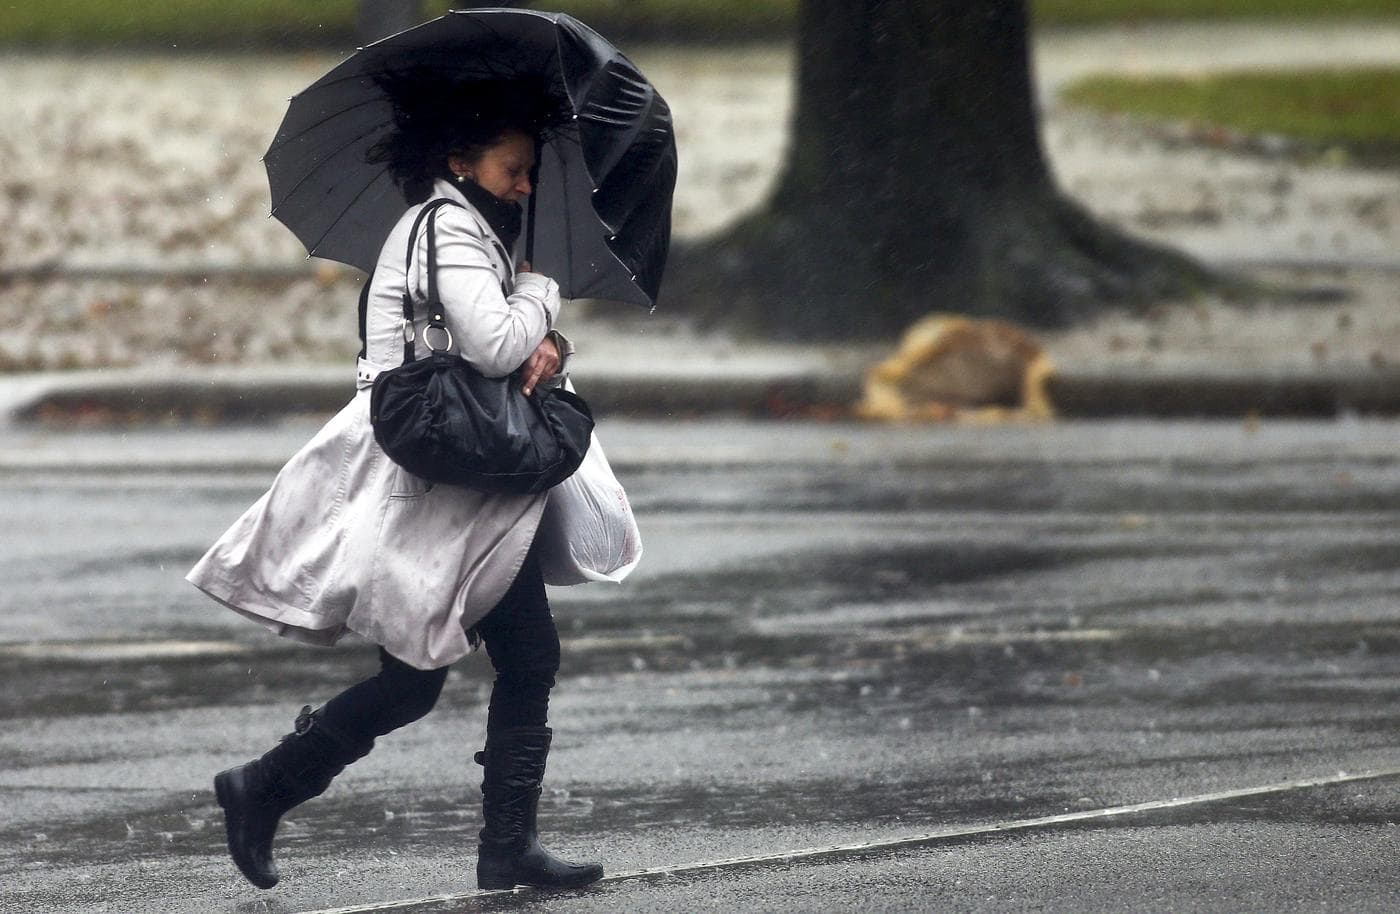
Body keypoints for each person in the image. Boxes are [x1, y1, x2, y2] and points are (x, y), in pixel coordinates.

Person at [186, 79, 603, 893]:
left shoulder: (463, 228)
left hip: (453, 470)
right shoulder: (448, 227)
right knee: (512, 657)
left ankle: (269, 789)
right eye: (513, 169)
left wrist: (541, 332)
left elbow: (500, 342)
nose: (524, 185)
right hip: (443, 473)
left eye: (527, 172)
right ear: (459, 162)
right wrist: (543, 298)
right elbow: (488, 347)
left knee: (426, 678)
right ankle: (490, 845)